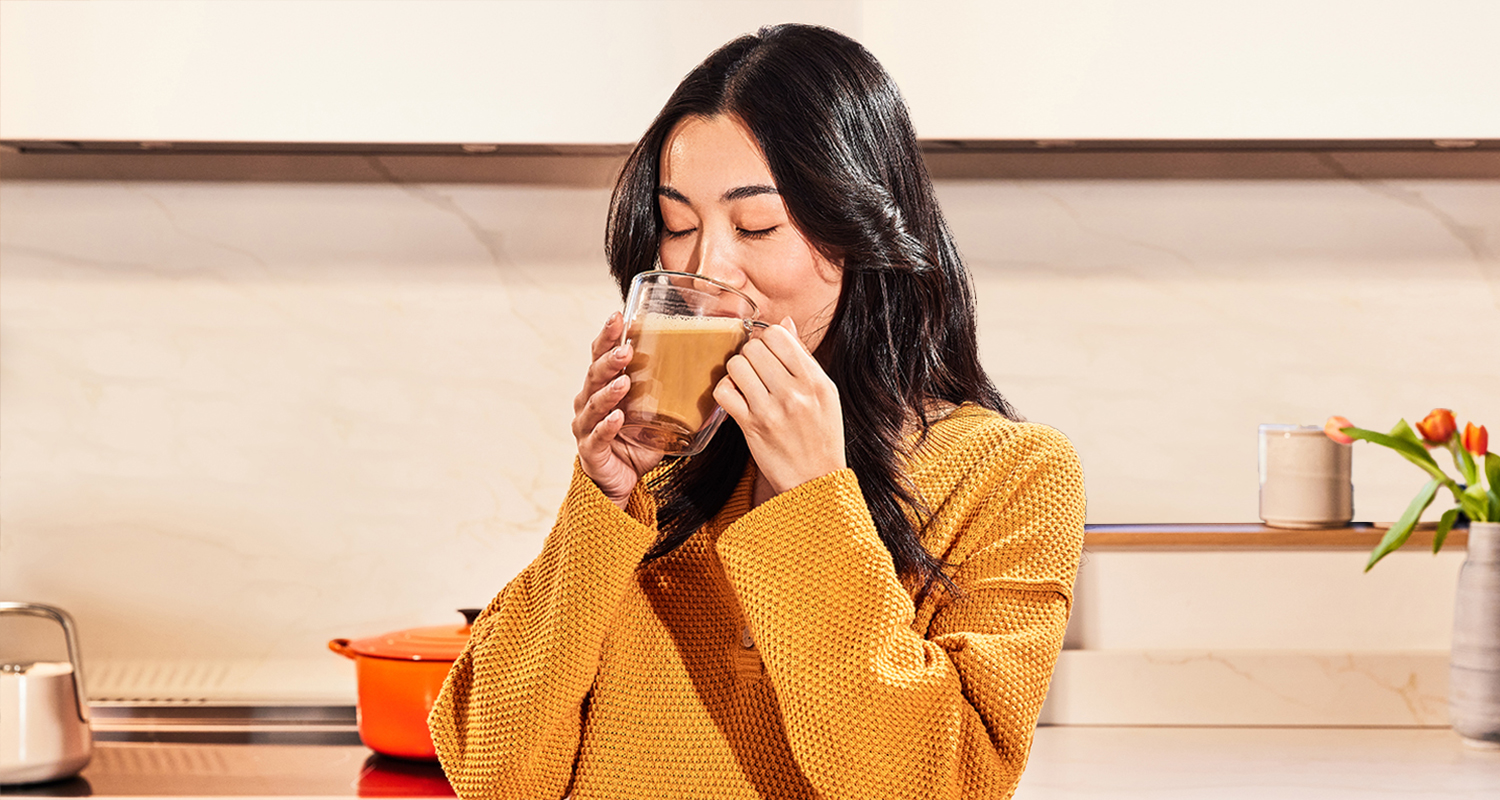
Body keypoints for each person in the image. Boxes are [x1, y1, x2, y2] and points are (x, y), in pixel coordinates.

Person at [429, 23, 1085, 800]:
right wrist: (601, 502)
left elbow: (934, 786)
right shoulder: (660, 470)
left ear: (860, 225)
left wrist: (813, 500)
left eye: (756, 226)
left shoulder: (1014, 475)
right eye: (678, 226)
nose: (707, 270)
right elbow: (493, 773)